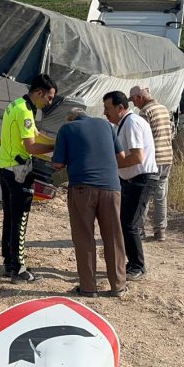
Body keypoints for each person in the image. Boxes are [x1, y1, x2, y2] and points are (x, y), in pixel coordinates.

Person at [51, 108, 127, 298]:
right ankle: (118, 286)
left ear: (71, 118)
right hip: (111, 188)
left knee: (84, 237)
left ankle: (88, 288)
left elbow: (58, 164)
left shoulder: (67, 129)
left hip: (82, 189)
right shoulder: (106, 125)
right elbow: (122, 156)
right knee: (114, 237)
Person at [0, 74, 57, 283]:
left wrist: (59, 141)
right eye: (48, 98)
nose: (49, 102)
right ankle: (18, 268)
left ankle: (9, 260)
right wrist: (56, 147)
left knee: (10, 217)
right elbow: (31, 146)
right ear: (39, 93)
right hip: (18, 171)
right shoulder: (24, 110)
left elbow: (35, 133)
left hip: (5, 167)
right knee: (20, 219)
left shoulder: (19, 105)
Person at [103, 91, 159, 281]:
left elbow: (136, 157)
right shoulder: (122, 124)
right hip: (130, 180)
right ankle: (132, 263)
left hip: (141, 179)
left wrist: (110, 164)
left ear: (120, 108)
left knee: (129, 223)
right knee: (123, 222)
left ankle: (138, 266)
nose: (105, 113)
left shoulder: (132, 123)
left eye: (107, 108)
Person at [129, 85, 174, 242]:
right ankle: (160, 231)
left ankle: (139, 231)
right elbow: (172, 131)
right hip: (167, 156)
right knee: (161, 196)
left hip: (153, 160)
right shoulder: (163, 109)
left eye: (133, 100)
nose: (133, 104)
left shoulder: (145, 112)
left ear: (139, 97)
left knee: (144, 196)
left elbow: (141, 137)